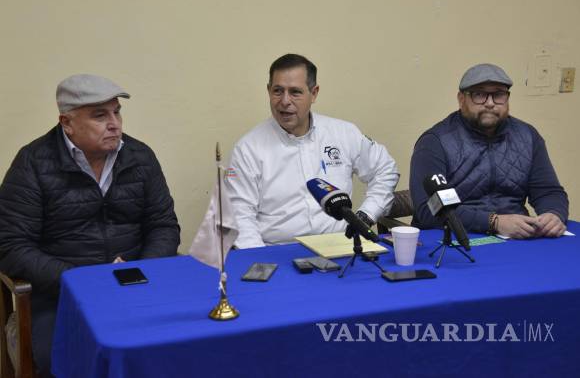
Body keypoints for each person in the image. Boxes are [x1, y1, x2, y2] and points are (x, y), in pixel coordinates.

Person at [0, 74, 180, 376]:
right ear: (66, 123)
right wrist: (81, 279)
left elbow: (163, 225)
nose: (115, 124)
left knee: (180, 343)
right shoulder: (33, 163)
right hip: (63, 296)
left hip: (136, 286)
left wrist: (142, 269)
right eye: (100, 115)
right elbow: (11, 246)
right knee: (72, 356)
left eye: (116, 112)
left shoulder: (140, 157)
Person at [224, 54, 399, 248]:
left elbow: (385, 170)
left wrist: (367, 214)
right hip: (278, 251)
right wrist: (261, 260)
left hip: (341, 246)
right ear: (268, 91)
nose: (285, 101)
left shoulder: (343, 133)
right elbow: (240, 216)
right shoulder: (248, 149)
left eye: (295, 92)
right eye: (277, 91)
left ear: (314, 93)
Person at [410, 63, 568, 238]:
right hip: (455, 237)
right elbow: (429, 209)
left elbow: (548, 191)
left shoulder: (528, 136)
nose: (490, 103)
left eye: (498, 94)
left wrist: (553, 214)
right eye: (479, 94)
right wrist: (494, 222)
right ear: (461, 99)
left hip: (517, 237)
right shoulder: (435, 141)